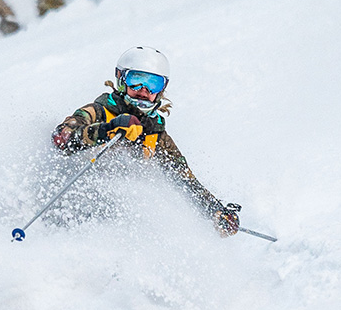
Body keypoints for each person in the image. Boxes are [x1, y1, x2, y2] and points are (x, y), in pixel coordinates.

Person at [52, 46, 240, 237]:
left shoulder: (155, 135)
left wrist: (215, 210)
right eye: (136, 81)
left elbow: (184, 179)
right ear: (121, 79)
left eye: (153, 84)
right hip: (68, 208)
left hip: (114, 225)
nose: (143, 91)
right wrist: (108, 129)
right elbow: (62, 139)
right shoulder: (99, 112)